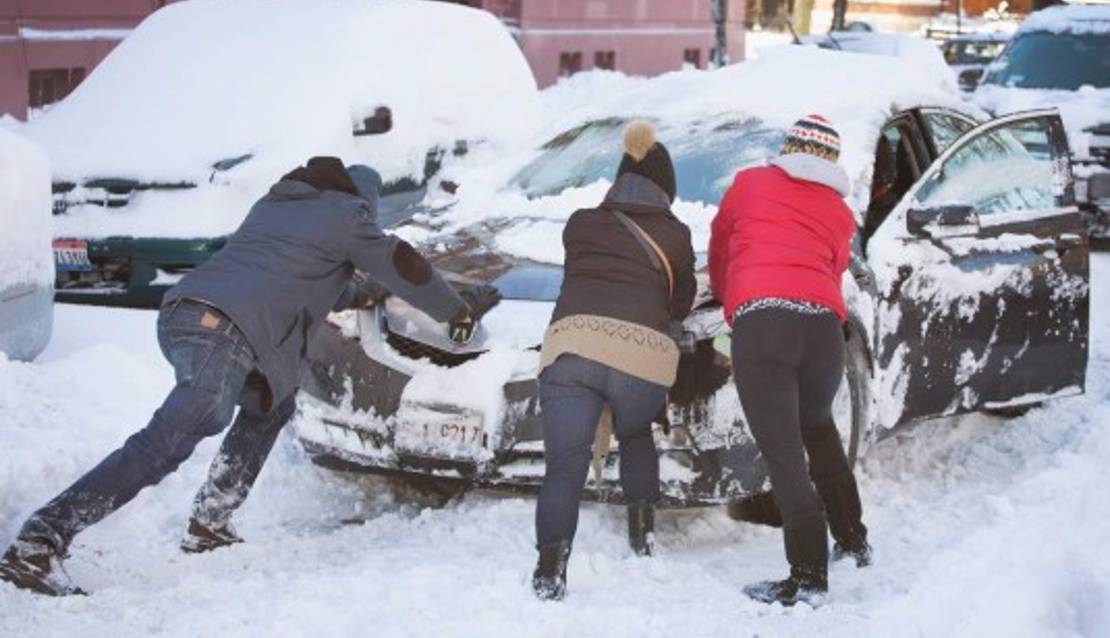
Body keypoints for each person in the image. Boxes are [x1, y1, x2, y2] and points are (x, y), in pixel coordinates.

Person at [0, 156, 495, 597]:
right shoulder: (346, 215)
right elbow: (400, 264)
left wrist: (365, 297)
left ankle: (211, 519)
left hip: (188, 316)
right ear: (361, 203)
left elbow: (306, 279)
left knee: (271, 402)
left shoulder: (277, 209)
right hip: (224, 330)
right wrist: (457, 312)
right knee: (169, 440)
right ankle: (39, 540)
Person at [708, 114, 870, 608]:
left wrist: (728, 298)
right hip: (823, 330)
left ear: (789, 147)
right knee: (818, 429)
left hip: (765, 325)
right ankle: (853, 538)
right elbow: (835, 267)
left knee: (783, 453)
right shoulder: (841, 213)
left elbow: (721, 246)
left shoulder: (750, 183)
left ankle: (808, 578)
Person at [531, 121, 696, 601]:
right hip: (638, 357)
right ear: (666, 189)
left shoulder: (579, 223)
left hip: (570, 349)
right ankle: (641, 537)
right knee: (636, 432)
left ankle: (549, 571)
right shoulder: (676, 235)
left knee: (564, 464)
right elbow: (679, 304)